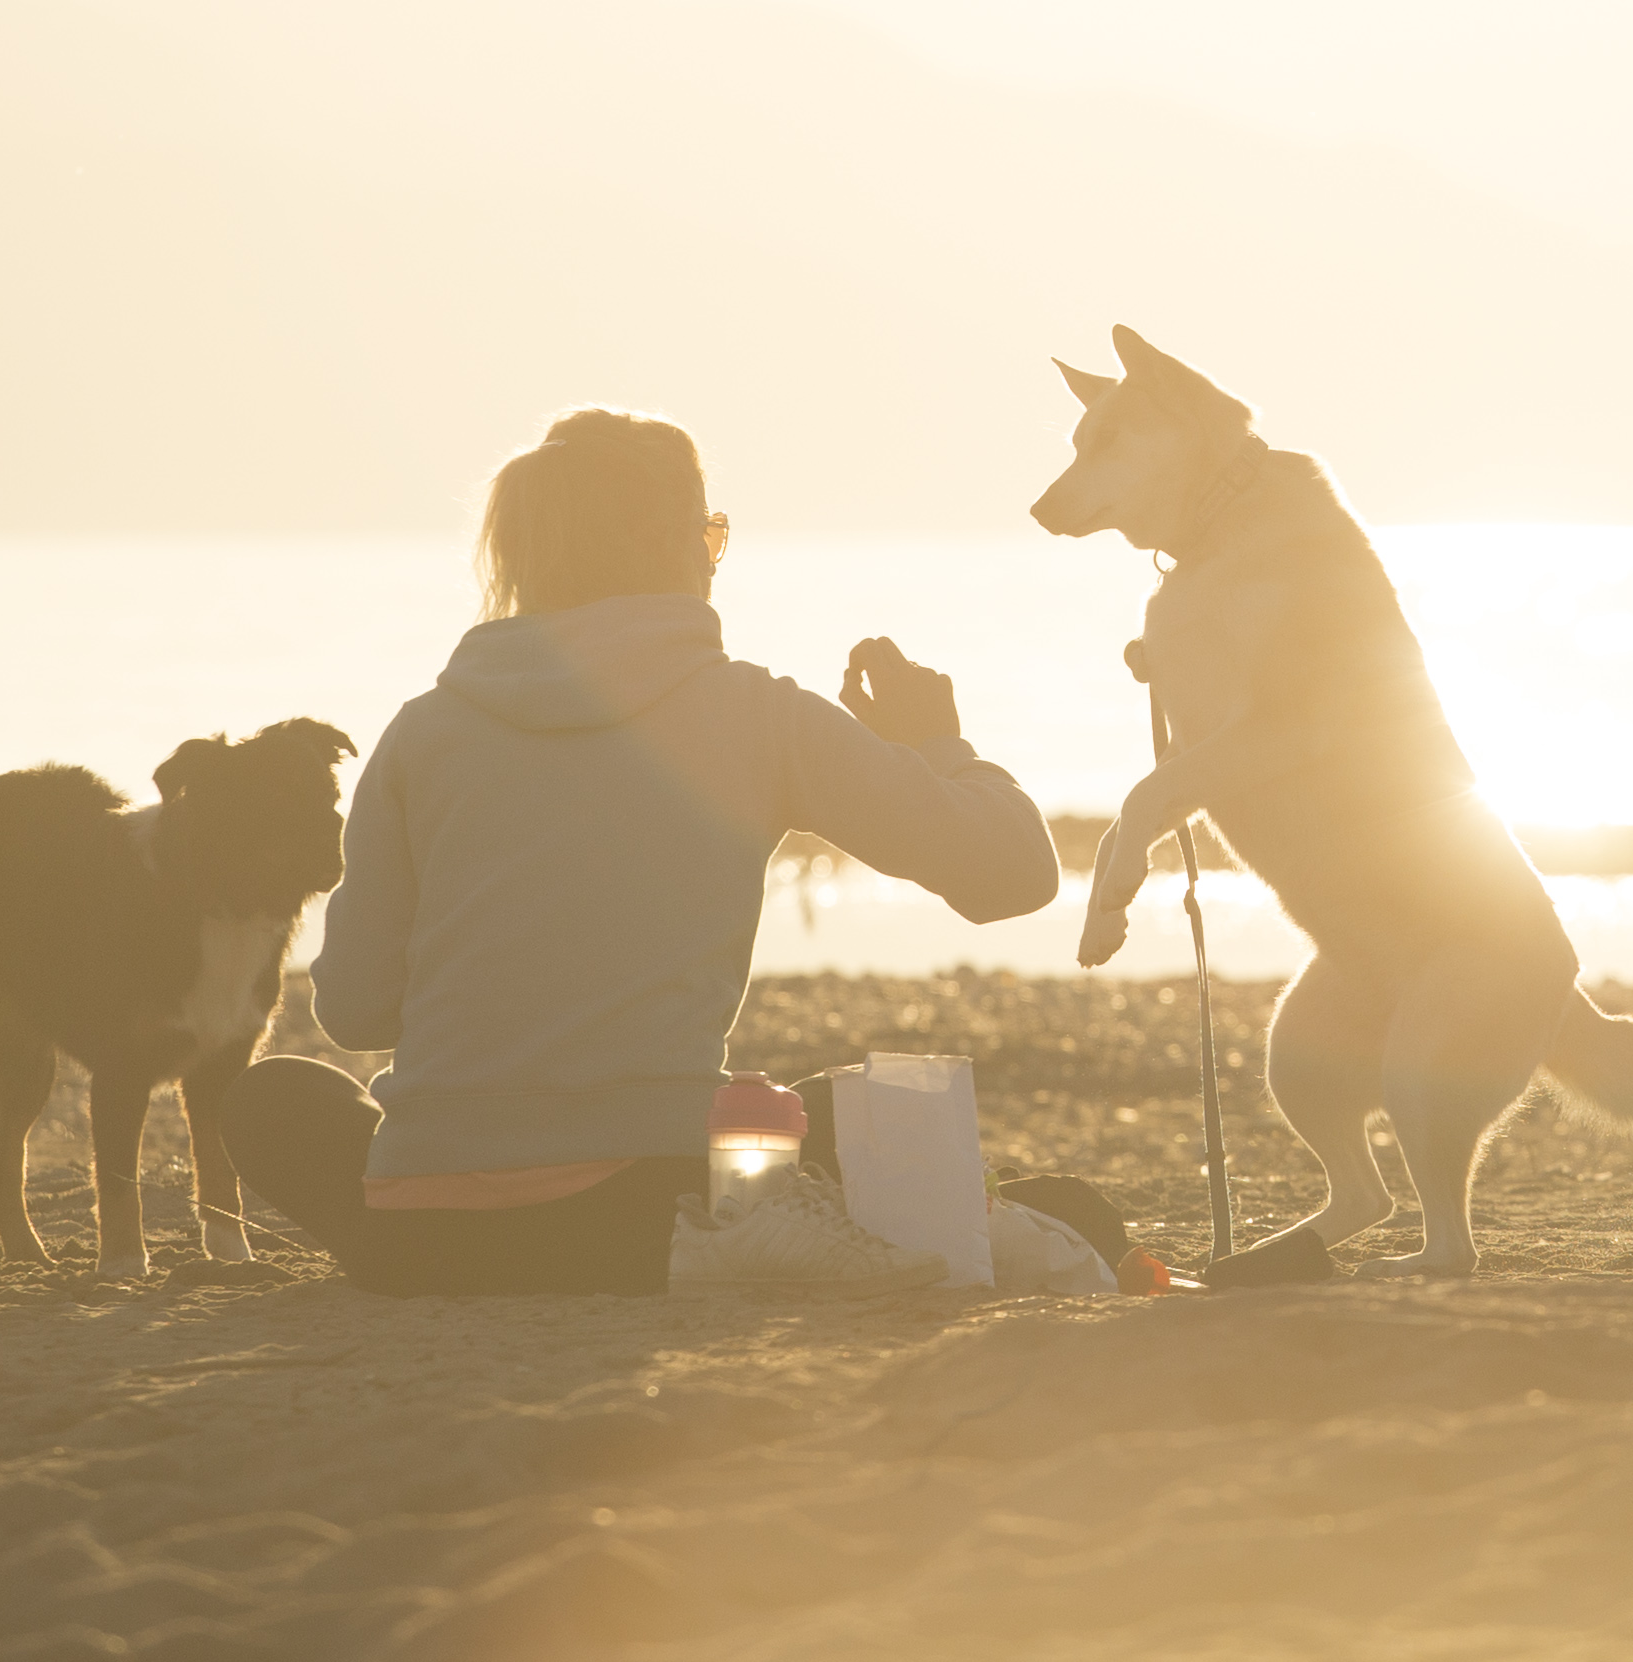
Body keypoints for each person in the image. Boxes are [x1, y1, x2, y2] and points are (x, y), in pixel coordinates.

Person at [222, 409, 1062, 1292]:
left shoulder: (423, 734)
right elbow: (1013, 876)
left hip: (423, 1233)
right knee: (837, 1108)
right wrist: (937, 749)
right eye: (710, 529)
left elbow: (355, 1010)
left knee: (272, 1097)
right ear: (668, 543)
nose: (713, 553)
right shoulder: (755, 714)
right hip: (647, 1219)